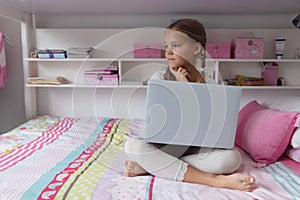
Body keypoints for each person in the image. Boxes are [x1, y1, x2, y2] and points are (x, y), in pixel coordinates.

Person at [124, 19, 255, 192]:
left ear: (196, 48)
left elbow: (212, 127)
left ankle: (152, 167)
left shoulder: (212, 84)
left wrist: (188, 88)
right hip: (164, 147)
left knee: (232, 158)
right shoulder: (158, 79)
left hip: (196, 150)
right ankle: (215, 181)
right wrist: (179, 87)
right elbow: (160, 122)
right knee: (132, 146)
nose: (168, 52)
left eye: (176, 45)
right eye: (166, 46)